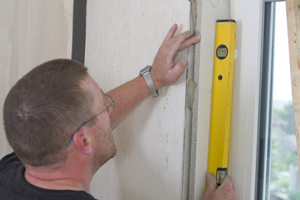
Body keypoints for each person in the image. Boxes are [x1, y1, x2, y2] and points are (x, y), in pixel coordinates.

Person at [0, 24, 236, 200]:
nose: (111, 106)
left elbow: (79, 120)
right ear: (83, 140)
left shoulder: (15, 167)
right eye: (105, 105)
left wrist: (153, 78)